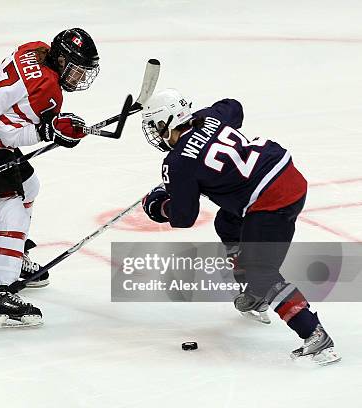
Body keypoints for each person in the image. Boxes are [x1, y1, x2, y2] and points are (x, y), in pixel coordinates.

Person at [140, 88, 340, 365]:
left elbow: (184, 217)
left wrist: (158, 205)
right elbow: (234, 106)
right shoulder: (210, 117)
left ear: (168, 122)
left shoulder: (177, 162)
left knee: (262, 271)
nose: (156, 134)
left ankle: (315, 335)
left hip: (271, 201)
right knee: (227, 221)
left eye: (156, 126)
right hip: (287, 175)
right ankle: (255, 296)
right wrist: (206, 127)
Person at [0, 28, 99, 328]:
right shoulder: (48, 90)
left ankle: (15, 256)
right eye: (77, 70)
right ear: (62, 60)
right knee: (10, 211)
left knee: (30, 186)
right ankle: (2, 291)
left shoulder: (36, 48)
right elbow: (9, 131)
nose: (80, 79)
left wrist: (51, 125)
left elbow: (11, 109)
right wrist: (48, 131)